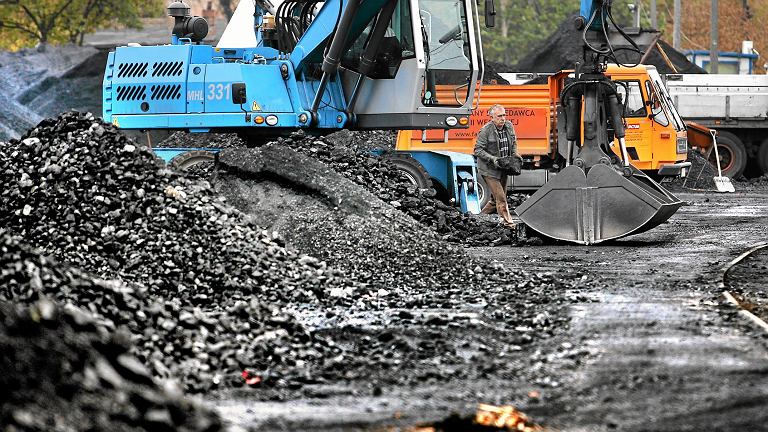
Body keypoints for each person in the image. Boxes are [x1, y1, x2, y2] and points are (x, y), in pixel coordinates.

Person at [473, 104, 520, 227]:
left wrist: (515, 154)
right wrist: (493, 159)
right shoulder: (485, 130)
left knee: (495, 201)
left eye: (504, 115)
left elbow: (514, 142)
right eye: (499, 116)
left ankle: (477, 220)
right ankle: (508, 224)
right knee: (501, 198)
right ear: (492, 117)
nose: (503, 118)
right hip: (489, 170)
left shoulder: (509, 126)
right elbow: (478, 150)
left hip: (504, 168)